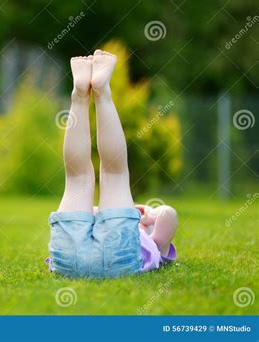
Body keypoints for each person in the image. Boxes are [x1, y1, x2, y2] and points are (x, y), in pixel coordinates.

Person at [47, 50, 177, 278]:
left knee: (102, 176)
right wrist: (152, 215)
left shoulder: (134, 227)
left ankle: (84, 95)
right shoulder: (153, 244)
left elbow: (168, 215)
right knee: (80, 178)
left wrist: (145, 215)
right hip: (77, 259)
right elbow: (170, 215)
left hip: (104, 252)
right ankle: (94, 92)